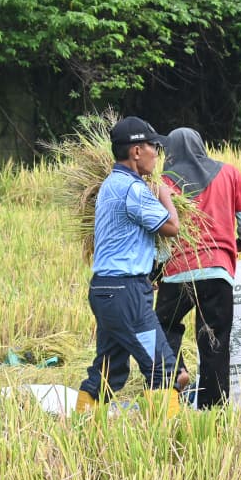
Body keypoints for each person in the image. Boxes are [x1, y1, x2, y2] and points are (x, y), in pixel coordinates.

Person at [76, 116, 187, 418]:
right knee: (162, 366)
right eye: (153, 147)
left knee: (108, 370)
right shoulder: (132, 189)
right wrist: (164, 195)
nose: (157, 154)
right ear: (136, 151)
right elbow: (172, 227)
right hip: (126, 293)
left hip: (105, 290)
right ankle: (167, 437)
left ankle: (83, 427)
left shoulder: (110, 184)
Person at [154, 127, 241, 409]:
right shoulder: (229, 173)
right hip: (217, 272)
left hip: (177, 273)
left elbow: (162, 236)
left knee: (161, 326)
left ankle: (176, 374)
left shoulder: (163, 183)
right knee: (215, 341)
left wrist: (157, 270)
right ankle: (212, 412)